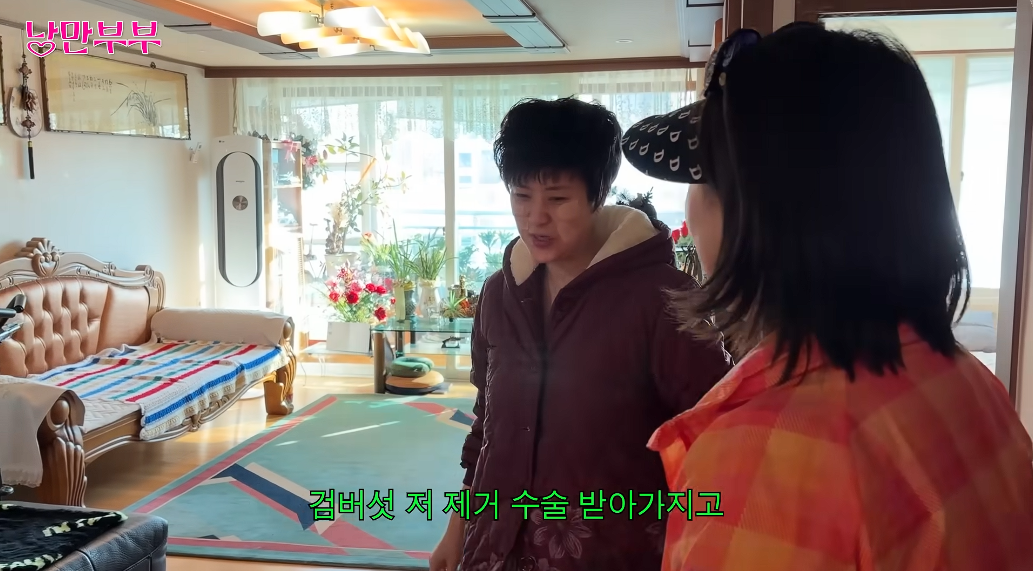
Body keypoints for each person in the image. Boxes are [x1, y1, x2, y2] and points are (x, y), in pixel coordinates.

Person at [621, 22, 1033, 570]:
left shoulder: (764, 456)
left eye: (703, 180)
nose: (692, 208)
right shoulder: (964, 380)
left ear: (768, 214)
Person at [429, 97, 732, 571]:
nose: (536, 217)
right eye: (521, 196)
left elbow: (713, 443)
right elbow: (488, 427)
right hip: (494, 548)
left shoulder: (665, 300)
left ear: (598, 193)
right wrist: (458, 528)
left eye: (557, 199)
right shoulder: (498, 294)